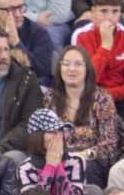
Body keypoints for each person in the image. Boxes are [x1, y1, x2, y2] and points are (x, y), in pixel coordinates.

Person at [45, 46, 119, 185]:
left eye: (78, 64)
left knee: (84, 168)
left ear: (87, 69)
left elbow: (109, 145)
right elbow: (41, 136)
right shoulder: (50, 98)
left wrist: (81, 156)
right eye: (66, 64)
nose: (71, 69)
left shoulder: (102, 98)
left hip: (90, 161)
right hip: (56, 158)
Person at [15, 108, 95, 195]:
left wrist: (58, 166)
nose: (59, 135)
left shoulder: (76, 161)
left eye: (60, 130)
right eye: (52, 131)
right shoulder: (25, 169)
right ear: (38, 137)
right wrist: (50, 167)